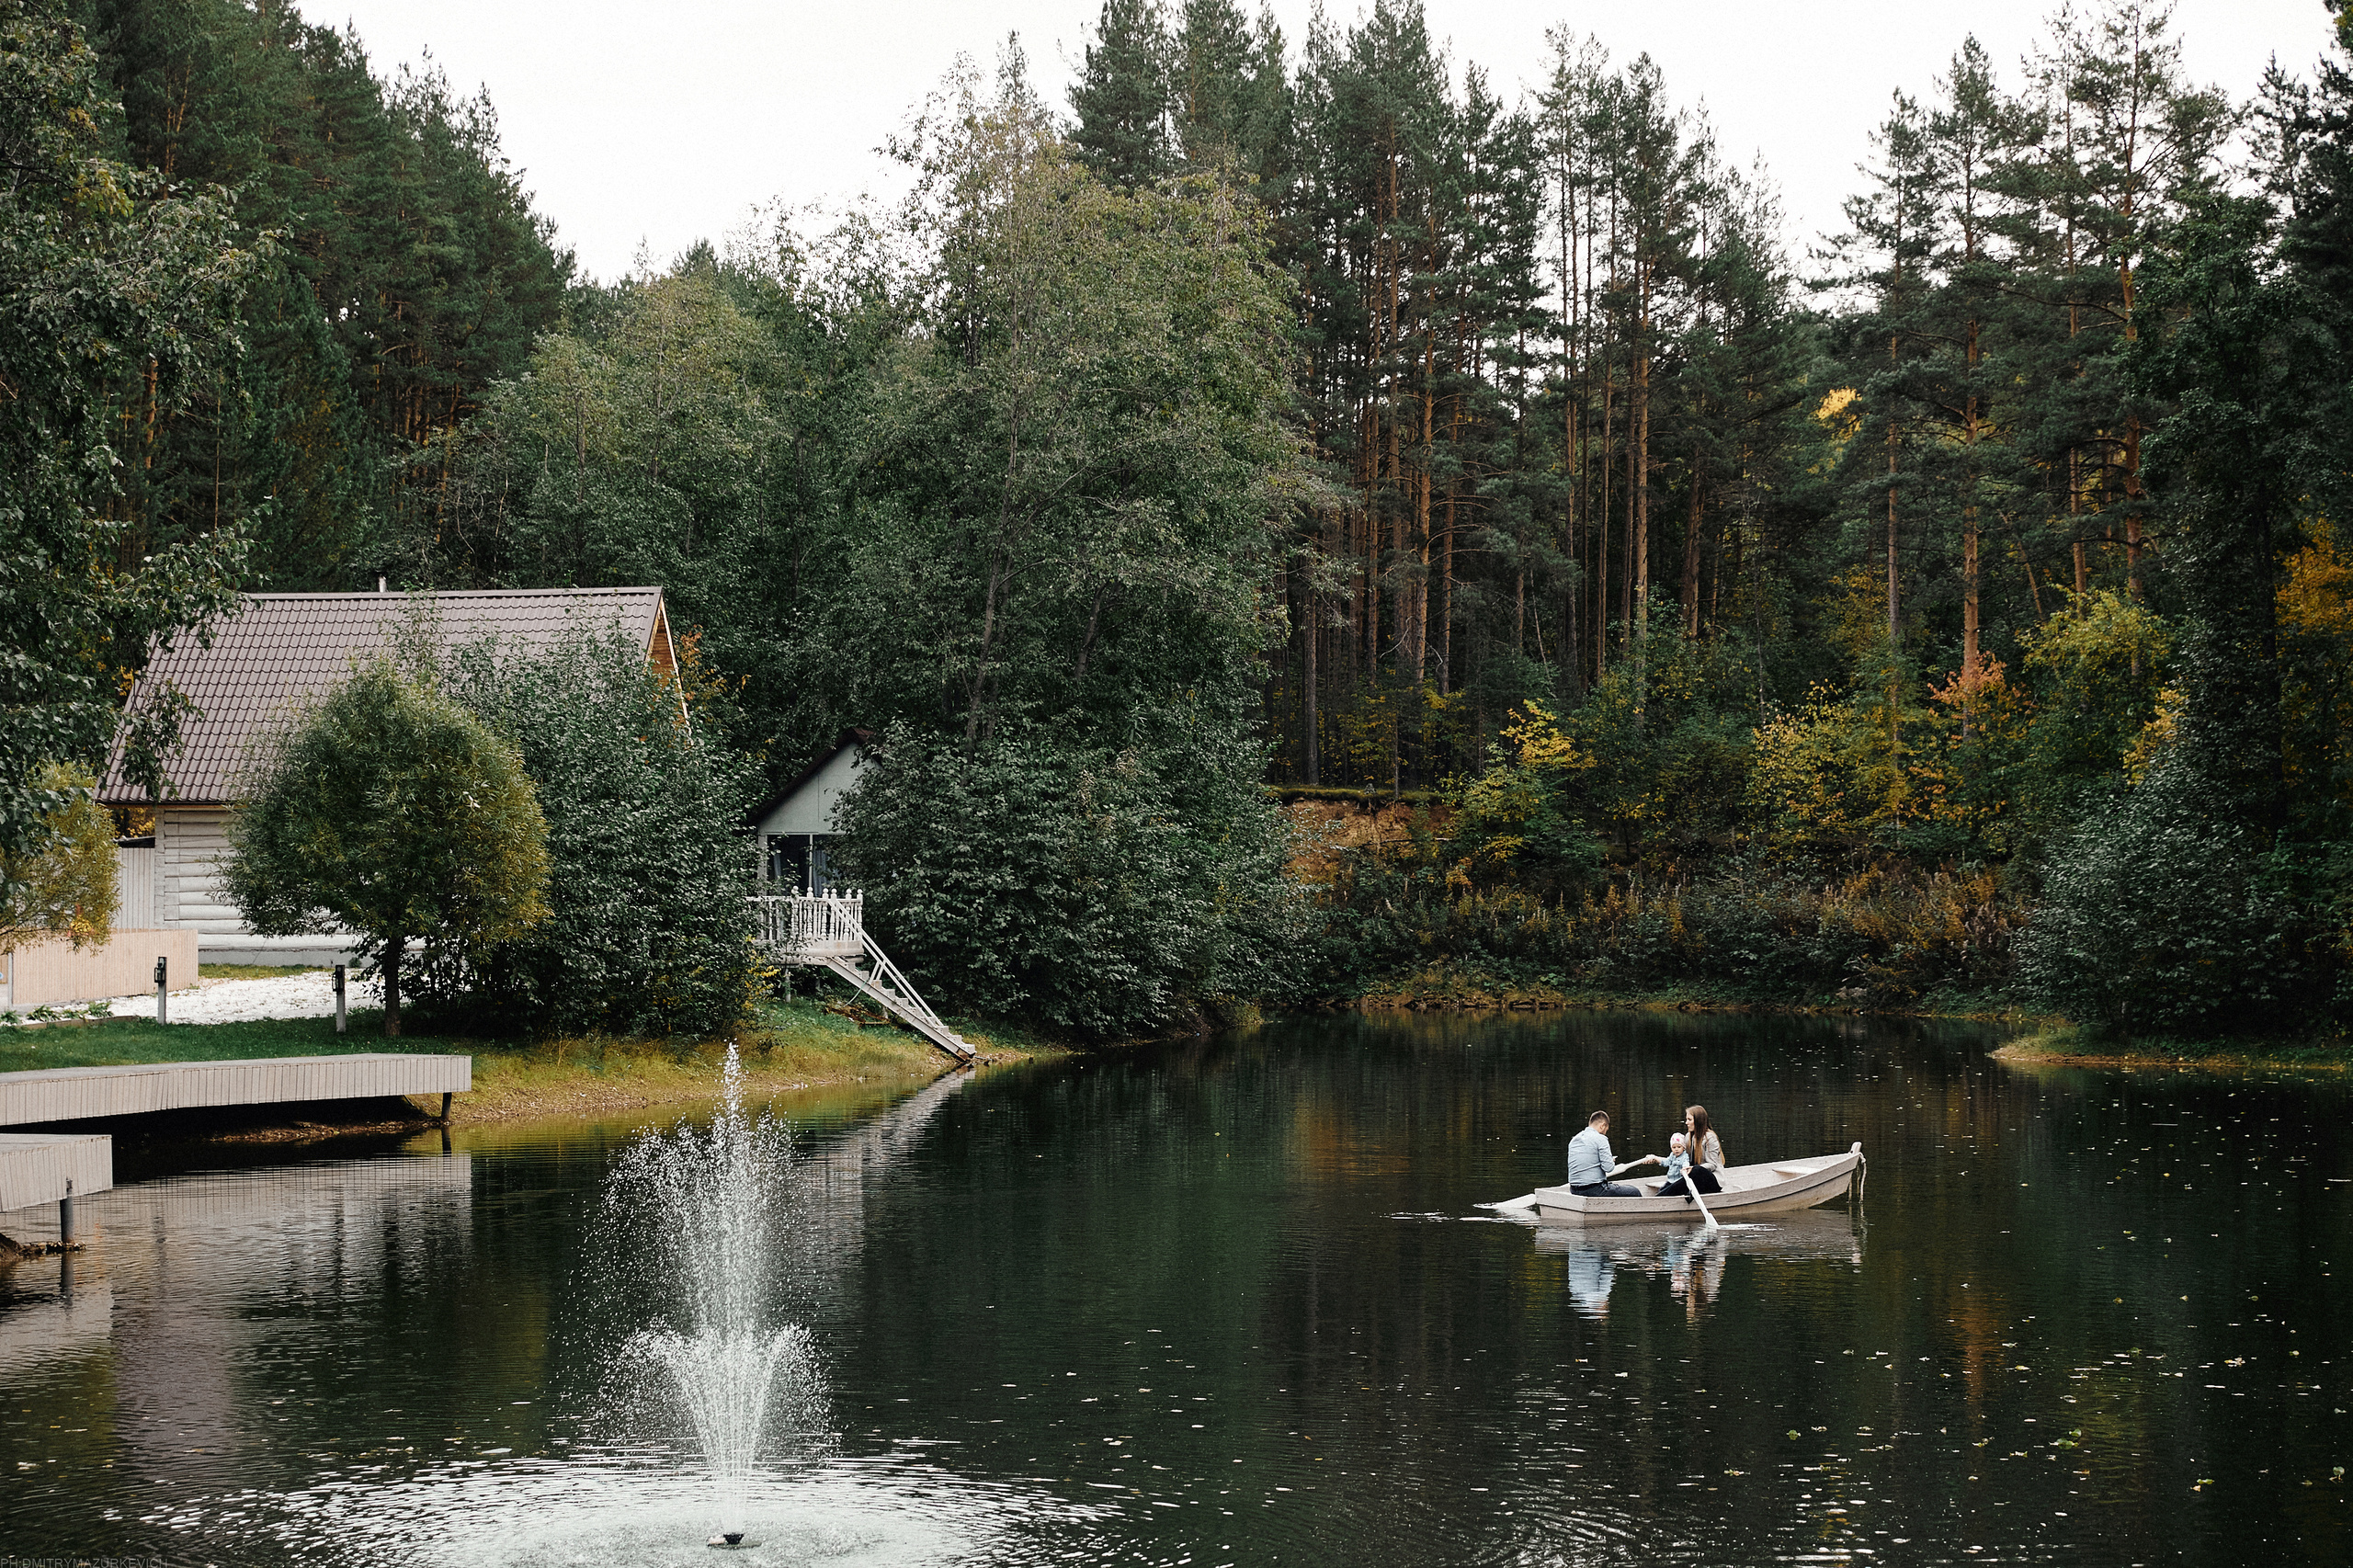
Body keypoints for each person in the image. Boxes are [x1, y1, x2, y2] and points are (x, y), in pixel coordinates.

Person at [1565, 1110, 1641, 1198]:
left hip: (1574, 1190)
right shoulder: (1601, 1138)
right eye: (1606, 1130)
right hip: (1593, 1190)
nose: (1605, 1133)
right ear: (1602, 1126)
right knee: (1634, 1192)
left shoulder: (1574, 1139)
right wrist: (1610, 1161)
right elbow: (1608, 1168)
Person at [1657, 1104, 1724, 1199]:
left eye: (1689, 1120)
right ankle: (1661, 1195)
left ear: (1698, 1121)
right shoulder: (1688, 1137)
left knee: (1697, 1170)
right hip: (1696, 1178)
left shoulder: (1710, 1138)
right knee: (1684, 1173)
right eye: (1686, 1120)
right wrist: (1656, 1159)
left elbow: (1712, 1165)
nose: (1686, 1123)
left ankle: (1661, 1197)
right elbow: (1681, 1158)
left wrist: (1693, 1168)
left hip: (1712, 1181)